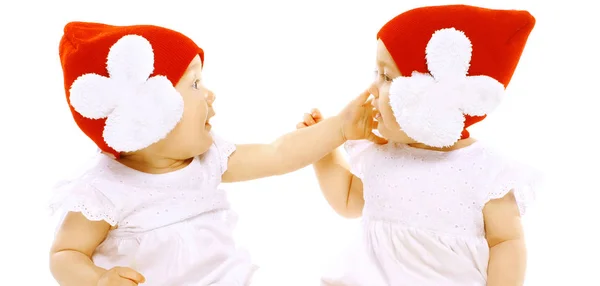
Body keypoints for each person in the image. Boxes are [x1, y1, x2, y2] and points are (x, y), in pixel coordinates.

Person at [49, 22, 384, 286]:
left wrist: (339, 128)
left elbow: (278, 153)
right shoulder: (105, 191)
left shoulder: (207, 161)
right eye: (194, 84)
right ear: (148, 112)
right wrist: (97, 279)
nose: (210, 94)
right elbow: (65, 253)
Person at [297, 5, 540, 286]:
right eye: (376, 73)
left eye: (387, 77)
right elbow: (349, 200)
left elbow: (506, 242)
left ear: (432, 94)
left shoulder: (483, 170)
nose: (372, 89)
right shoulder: (382, 152)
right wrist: (323, 150)